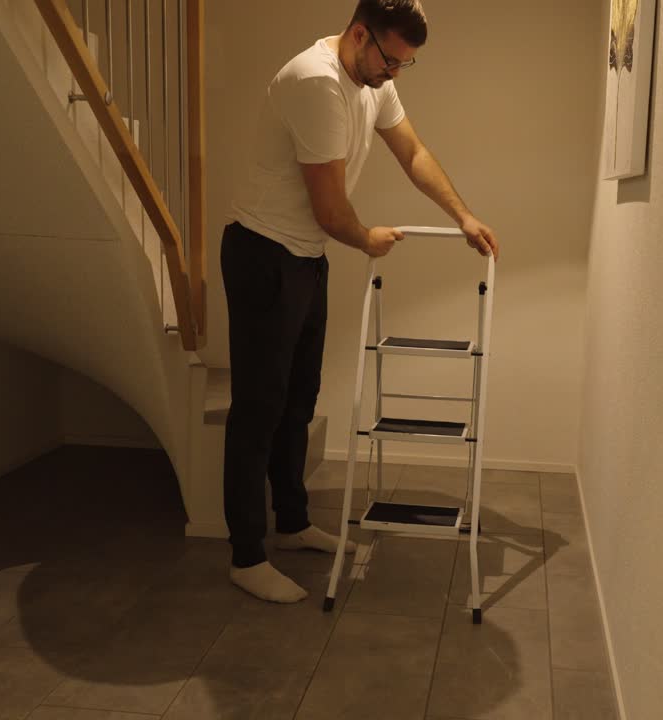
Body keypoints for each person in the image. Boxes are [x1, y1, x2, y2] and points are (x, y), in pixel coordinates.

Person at [221, 0, 499, 603]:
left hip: (304, 256)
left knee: (299, 400)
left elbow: (413, 155)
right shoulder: (315, 83)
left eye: (406, 65)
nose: (394, 74)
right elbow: (330, 209)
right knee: (259, 409)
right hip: (262, 255)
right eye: (391, 60)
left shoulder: (373, 79)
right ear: (358, 34)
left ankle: (291, 524)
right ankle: (246, 556)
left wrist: (464, 215)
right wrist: (369, 239)